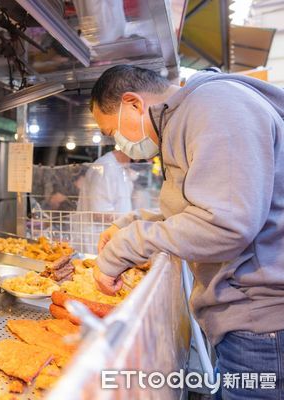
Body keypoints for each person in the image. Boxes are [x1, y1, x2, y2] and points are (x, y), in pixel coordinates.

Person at [90, 65, 284, 398]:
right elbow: (203, 207)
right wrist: (132, 223)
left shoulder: (217, 106)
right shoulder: (190, 116)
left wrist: (126, 246)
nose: (119, 143)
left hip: (262, 326)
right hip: (252, 324)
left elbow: (225, 224)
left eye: (113, 132)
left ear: (133, 103)